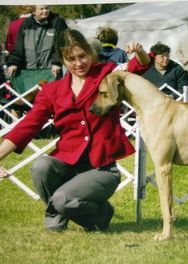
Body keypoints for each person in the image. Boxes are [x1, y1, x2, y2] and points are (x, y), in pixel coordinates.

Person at [0, 29, 151, 232]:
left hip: (102, 169)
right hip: (67, 164)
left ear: (90, 52)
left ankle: (100, 215)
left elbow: (139, 65)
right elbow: (28, 126)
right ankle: (57, 224)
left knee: (63, 199)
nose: (78, 63)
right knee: (41, 166)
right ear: (62, 59)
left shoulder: (107, 73)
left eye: (82, 56)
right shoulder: (51, 91)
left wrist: (139, 52)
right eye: (71, 59)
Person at [6, 5, 68, 94]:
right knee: (29, 101)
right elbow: (18, 47)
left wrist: (57, 62)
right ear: (34, 11)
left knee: (50, 98)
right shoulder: (25, 24)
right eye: (41, 9)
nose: (45, 11)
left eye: (47, 8)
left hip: (50, 71)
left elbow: (62, 44)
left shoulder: (58, 22)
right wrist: (13, 63)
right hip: (28, 71)